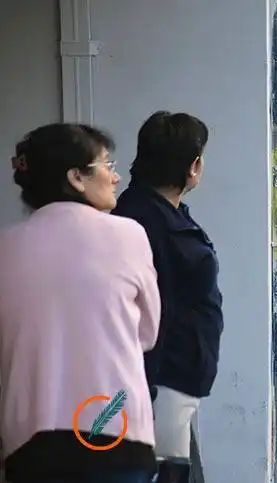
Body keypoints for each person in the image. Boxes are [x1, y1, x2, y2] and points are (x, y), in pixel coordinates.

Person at [0, 123, 160, 483]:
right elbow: (147, 333)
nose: (115, 177)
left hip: (30, 443)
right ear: (76, 177)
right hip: (115, 432)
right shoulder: (128, 234)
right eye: (107, 164)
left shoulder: (5, 247)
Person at [112, 111, 223, 483]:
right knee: (168, 472)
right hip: (160, 378)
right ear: (193, 166)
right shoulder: (140, 221)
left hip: (177, 376)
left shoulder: (161, 212)